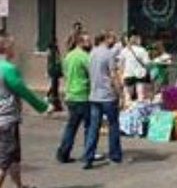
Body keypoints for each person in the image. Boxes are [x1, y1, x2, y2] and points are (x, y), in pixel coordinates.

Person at [0, 34, 51, 188]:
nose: (15, 49)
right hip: (6, 119)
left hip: (5, 119)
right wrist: (43, 107)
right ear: (5, 48)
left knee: (13, 157)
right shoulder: (7, 69)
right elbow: (24, 91)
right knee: (4, 160)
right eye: (12, 46)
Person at [83, 32, 122, 169]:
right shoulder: (108, 54)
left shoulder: (91, 54)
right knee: (113, 125)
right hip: (107, 95)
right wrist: (119, 92)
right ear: (106, 39)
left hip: (94, 95)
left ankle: (88, 157)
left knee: (94, 127)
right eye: (112, 38)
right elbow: (113, 74)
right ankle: (114, 155)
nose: (114, 41)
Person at [56, 32, 92, 164]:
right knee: (89, 126)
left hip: (70, 94)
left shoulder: (68, 56)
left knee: (71, 126)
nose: (90, 44)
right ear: (81, 42)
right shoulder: (84, 57)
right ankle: (88, 153)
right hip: (83, 95)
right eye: (88, 41)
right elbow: (92, 73)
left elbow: (65, 73)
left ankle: (63, 153)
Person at [119, 32, 151, 104]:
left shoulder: (124, 50)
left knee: (127, 97)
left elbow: (121, 64)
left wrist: (121, 76)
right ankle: (139, 109)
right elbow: (147, 63)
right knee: (140, 96)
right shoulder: (142, 50)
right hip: (140, 75)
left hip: (128, 75)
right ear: (138, 41)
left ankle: (128, 109)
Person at [46, 40, 63, 112]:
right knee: (53, 87)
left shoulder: (55, 53)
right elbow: (52, 62)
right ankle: (52, 102)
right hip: (53, 72)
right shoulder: (52, 53)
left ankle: (55, 104)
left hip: (54, 72)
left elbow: (58, 62)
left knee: (54, 87)